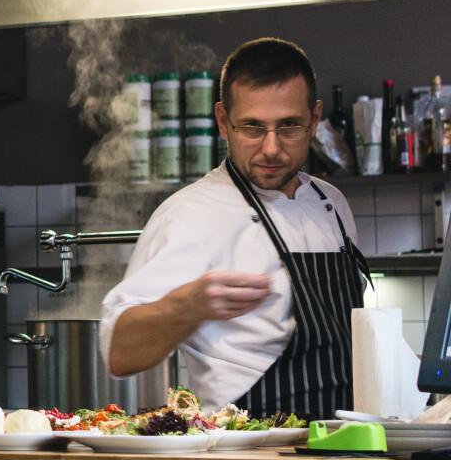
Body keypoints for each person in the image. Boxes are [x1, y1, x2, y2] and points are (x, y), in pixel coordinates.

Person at [101, 38, 368, 419]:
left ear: (314, 118)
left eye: (289, 126)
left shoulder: (332, 203)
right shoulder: (188, 215)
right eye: (253, 128)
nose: (272, 148)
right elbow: (120, 353)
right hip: (251, 454)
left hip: (351, 443)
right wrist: (186, 306)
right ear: (224, 122)